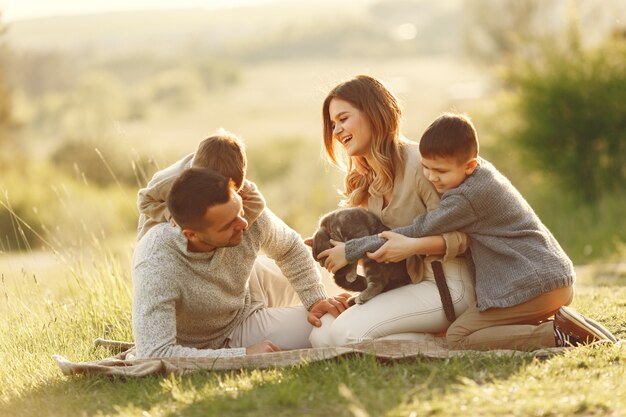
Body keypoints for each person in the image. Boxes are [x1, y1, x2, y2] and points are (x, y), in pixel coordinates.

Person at [338, 112, 617, 350]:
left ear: (469, 165)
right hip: (549, 280)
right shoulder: (481, 173)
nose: (432, 177)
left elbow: (420, 228)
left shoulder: (466, 198)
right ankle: (575, 327)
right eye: (425, 167)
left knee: (459, 336)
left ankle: (555, 334)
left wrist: (351, 249)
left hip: (536, 285)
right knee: (467, 330)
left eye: (441, 171)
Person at [309, 75, 475, 348]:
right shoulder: (364, 181)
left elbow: (463, 237)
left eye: (343, 118)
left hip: (446, 287)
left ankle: (449, 341)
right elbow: (376, 250)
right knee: (321, 335)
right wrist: (343, 254)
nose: (337, 130)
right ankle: (429, 337)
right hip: (403, 286)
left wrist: (408, 247)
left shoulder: (422, 165)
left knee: (346, 335)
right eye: (332, 124)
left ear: (373, 113)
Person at [132, 168, 349, 358]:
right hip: (227, 333)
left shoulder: (242, 213)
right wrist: (243, 354)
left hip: (249, 283)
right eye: (229, 225)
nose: (244, 223)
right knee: (333, 325)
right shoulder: (156, 263)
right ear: (192, 235)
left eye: (240, 210)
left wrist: (314, 299)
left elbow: (290, 247)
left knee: (338, 277)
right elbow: (155, 353)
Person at [136, 129, 265, 241]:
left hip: (199, 224)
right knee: (159, 238)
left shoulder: (229, 173)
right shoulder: (171, 181)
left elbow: (258, 202)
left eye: (232, 189)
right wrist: (169, 214)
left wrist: (232, 224)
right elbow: (145, 201)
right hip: (159, 220)